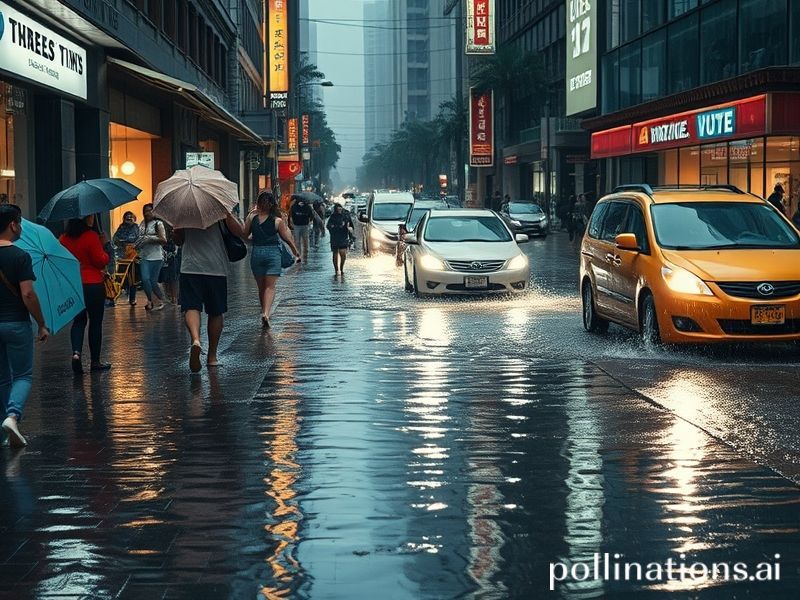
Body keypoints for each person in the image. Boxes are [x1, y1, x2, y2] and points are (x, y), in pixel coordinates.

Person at [0, 205, 49, 448]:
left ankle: (4, 430)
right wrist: (41, 324)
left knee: (2, 378)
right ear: (13, 224)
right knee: (22, 375)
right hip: (16, 323)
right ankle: (12, 416)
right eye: (19, 222)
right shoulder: (20, 256)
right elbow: (28, 294)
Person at [173, 211, 246, 373]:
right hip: (216, 268)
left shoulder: (184, 212)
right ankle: (212, 357)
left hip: (190, 267)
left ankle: (196, 339)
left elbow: (178, 241)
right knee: (216, 311)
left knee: (191, 306)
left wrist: (176, 230)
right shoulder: (218, 209)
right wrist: (228, 214)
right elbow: (240, 231)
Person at [60, 215, 111, 374]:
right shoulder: (91, 236)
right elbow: (101, 261)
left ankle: (76, 353)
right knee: (95, 322)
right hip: (93, 284)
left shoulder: (63, 238)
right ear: (84, 218)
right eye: (90, 216)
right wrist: (106, 246)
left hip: (73, 284)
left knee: (79, 321)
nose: (92, 218)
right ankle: (95, 361)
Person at [244, 192, 301, 329]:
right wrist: (295, 252)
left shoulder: (252, 218)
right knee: (270, 287)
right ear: (272, 204)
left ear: (258, 203)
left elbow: (244, 235)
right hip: (273, 254)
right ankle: (266, 313)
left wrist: (254, 240)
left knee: (261, 288)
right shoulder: (277, 221)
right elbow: (286, 239)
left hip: (257, 253)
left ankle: (263, 311)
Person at [136, 203, 167, 311]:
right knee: (145, 279)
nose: (147, 213)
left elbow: (163, 240)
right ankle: (150, 300)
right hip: (144, 256)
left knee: (153, 281)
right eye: (145, 211)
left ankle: (160, 299)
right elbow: (139, 238)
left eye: (150, 210)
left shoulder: (158, 224)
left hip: (157, 257)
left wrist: (150, 239)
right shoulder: (142, 224)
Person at [112, 211, 139, 305]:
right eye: (127, 218)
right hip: (122, 256)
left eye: (130, 217)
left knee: (132, 279)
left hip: (132, 256)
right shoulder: (121, 227)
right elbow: (115, 239)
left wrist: (125, 241)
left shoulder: (136, 227)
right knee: (119, 277)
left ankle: (132, 298)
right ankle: (113, 297)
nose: (129, 219)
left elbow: (135, 238)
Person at [327, 203, 355, 276]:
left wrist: (349, 229)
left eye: (340, 209)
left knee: (343, 254)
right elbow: (328, 226)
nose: (339, 210)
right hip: (335, 237)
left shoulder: (346, 216)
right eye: (338, 209)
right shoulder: (333, 216)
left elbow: (351, 226)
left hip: (343, 237)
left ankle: (341, 268)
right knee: (335, 254)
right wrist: (333, 227)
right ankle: (336, 270)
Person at [159, 224, 180, 304]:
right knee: (166, 278)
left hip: (172, 257)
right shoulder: (160, 229)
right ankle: (169, 296)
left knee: (173, 278)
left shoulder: (174, 231)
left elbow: (178, 244)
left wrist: (175, 252)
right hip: (164, 257)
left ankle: (174, 297)